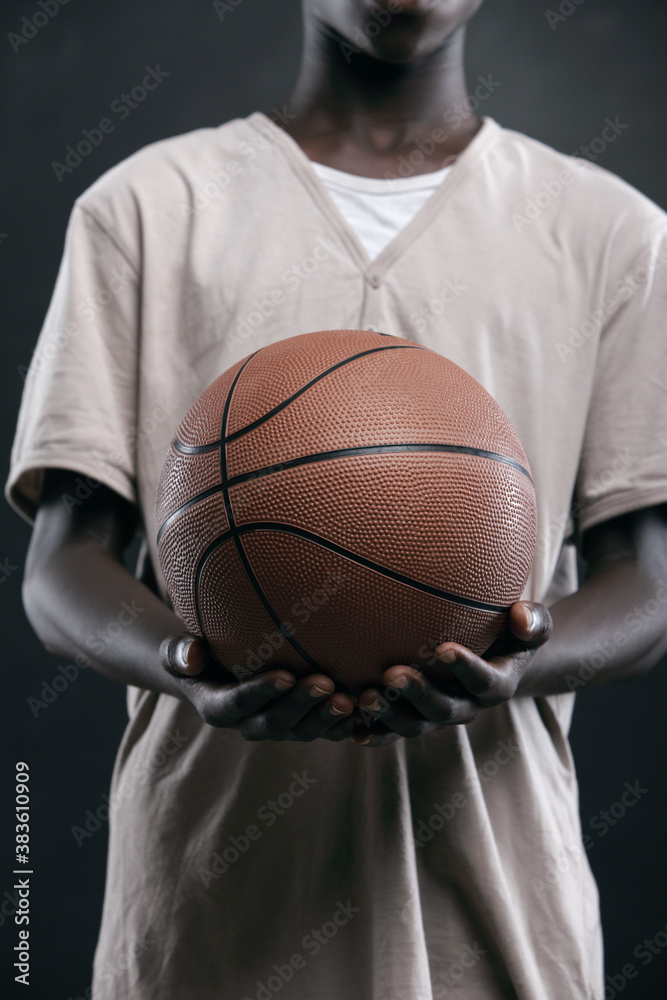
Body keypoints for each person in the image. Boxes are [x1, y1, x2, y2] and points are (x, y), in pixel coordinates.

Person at [7, 1, 667, 997]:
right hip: (205, 915)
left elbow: (649, 587)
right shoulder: (145, 205)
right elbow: (60, 566)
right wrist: (185, 664)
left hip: (492, 910)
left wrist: (514, 664)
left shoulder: (612, 231)